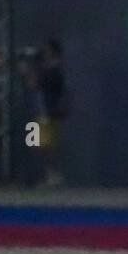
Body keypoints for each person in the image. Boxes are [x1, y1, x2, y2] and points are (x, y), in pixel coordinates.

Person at [37, 38, 69, 186]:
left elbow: (39, 85)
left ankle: (53, 175)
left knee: (49, 145)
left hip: (50, 112)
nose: (45, 52)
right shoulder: (45, 69)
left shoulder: (54, 70)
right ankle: (48, 173)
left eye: (47, 50)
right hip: (42, 111)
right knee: (39, 143)